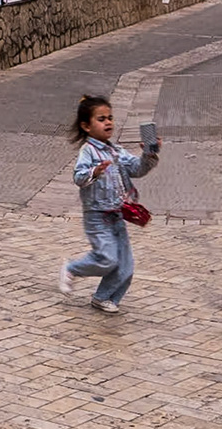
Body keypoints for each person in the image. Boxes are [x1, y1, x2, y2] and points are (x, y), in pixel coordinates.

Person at [59, 95, 159, 314]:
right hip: (97, 217)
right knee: (107, 259)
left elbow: (136, 169)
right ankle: (72, 268)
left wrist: (149, 153)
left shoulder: (116, 150)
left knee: (125, 265)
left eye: (110, 118)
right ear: (86, 126)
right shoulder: (88, 151)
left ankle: (103, 297)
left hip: (117, 215)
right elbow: (78, 177)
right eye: (101, 119)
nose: (108, 123)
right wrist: (94, 171)